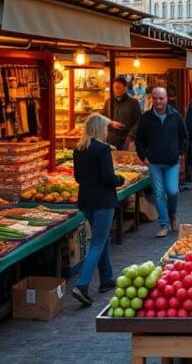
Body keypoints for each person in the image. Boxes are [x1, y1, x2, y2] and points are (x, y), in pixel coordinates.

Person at [71, 113, 125, 306]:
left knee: (100, 240)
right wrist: (121, 179)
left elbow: (77, 177)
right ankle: (82, 285)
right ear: (98, 129)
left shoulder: (79, 149)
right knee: (98, 242)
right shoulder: (102, 150)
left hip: (86, 201)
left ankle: (106, 279)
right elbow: (108, 178)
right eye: (105, 128)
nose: (106, 131)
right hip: (103, 201)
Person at [134, 87, 189, 237]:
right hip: (154, 162)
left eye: (161, 98)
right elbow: (139, 139)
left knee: (172, 191)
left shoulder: (175, 116)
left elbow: (184, 136)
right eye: (155, 98)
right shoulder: (146, 118)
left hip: (172, 162)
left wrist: (181, 153)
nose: (158, 101)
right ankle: (163, 224)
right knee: (158, 194)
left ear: (166, 99)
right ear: (152, 98)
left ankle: (172, 215)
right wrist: (143, 156)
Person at [103, 76, 142, 150]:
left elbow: (139, 122)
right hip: (110, 139)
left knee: (126, 160)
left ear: (125, 88)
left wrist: (130, 137)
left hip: (127, 139)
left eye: (118, 88)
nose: (115, 90)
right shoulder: (108, 102)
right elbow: (102, 118)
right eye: (114, 87)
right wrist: (111, 123)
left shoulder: (133, 102)